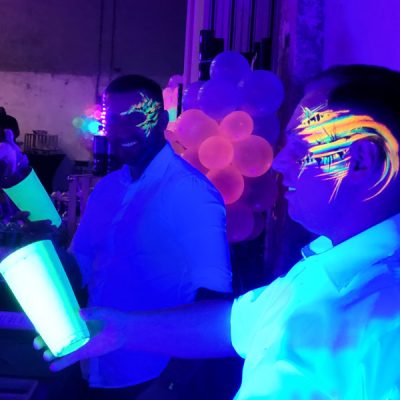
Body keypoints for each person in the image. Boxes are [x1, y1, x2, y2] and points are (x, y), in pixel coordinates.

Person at [37, 65, 400, 399]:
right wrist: (120, 329)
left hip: (144, 378)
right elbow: (232, 324)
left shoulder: (387, 319)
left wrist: (168, 385)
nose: (278, 162)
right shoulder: (319, 268)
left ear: (361, 161)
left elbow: (211, 291)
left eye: (300, 147)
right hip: (100, 370)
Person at [68, 75, 233, 399]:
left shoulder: (191, 192)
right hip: (95, 365)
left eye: (136, 117)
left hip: (152, 374)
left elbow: (214, 299)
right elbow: (80, 263)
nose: (122, 130)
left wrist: (170, 385)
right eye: (114, 120)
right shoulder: (107, 189)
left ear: (163, 119)